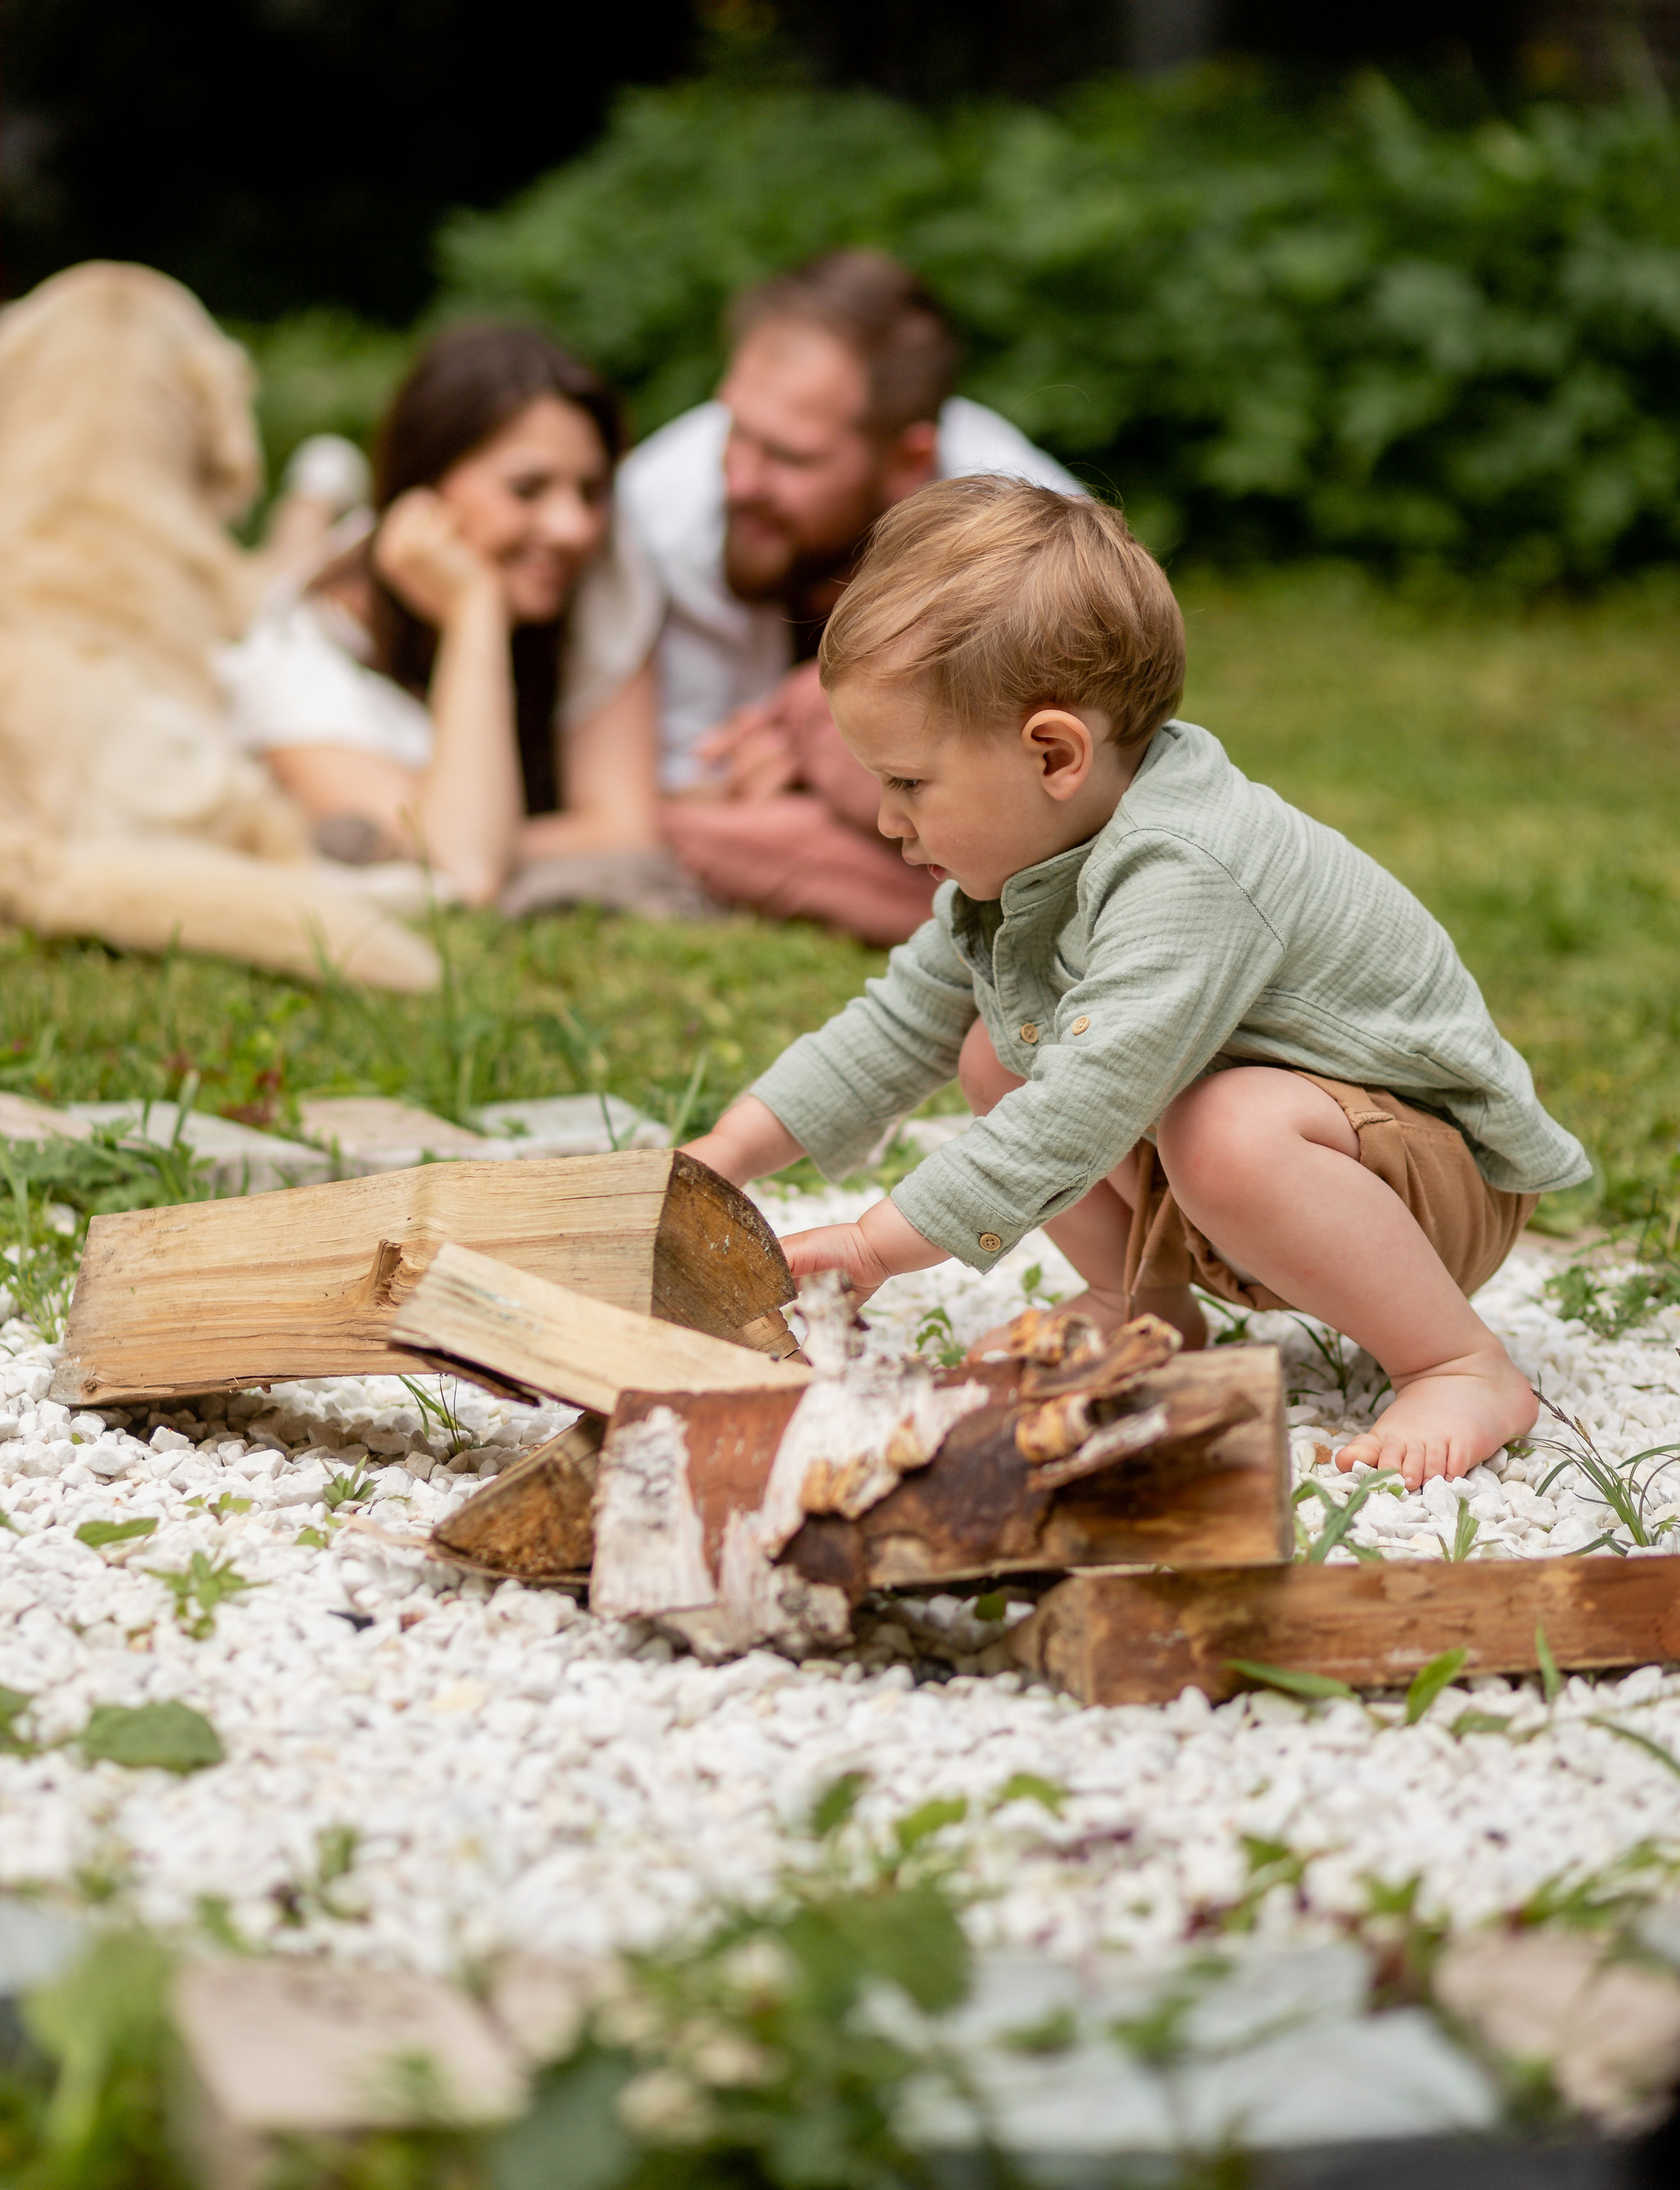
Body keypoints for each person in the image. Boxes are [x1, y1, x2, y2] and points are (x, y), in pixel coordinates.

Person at [685, 476, 1590, 1492]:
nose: (888, 819)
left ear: (1055, 754)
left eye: (908, 783)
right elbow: (892, 1030)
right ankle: (1145, 1307)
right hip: (1287, 1164)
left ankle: (1458, 1361)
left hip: (1424, 1184)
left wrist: (877, 1242)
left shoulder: (1187, 865)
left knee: (1217, 1124)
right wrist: (713, 1165)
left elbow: (1087, 1103)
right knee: (997, 1049)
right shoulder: (1022, 873)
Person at [617, 249, 1082, 944]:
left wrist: (818, 739)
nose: (740, 480)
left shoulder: (1037, 541)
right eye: (734, 429)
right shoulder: (659, 514)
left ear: (909, 462)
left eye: (790, 458)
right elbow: (675, 787)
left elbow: (1072, 784)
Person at [220, 322, 667, 909]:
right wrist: (475, 612)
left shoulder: (595, 566)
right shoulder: (292, 654)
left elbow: (624, 827)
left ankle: (321, 490)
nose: (573, 527)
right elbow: (469, 865)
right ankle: (316, 490)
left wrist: (464, 829)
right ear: (421, 490)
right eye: (527, 489)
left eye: (591, 489)